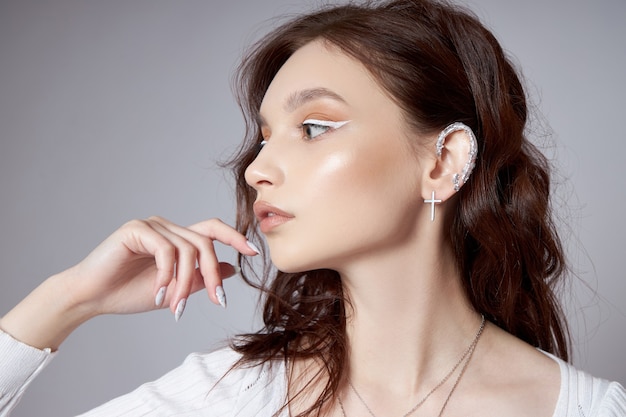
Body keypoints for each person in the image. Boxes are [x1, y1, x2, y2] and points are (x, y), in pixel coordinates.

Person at [1, 0, 625, 416]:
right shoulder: (226, 397)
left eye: (315, 127)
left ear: (442, 162)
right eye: (266, 135)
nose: (256, 168)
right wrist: (67, 299)